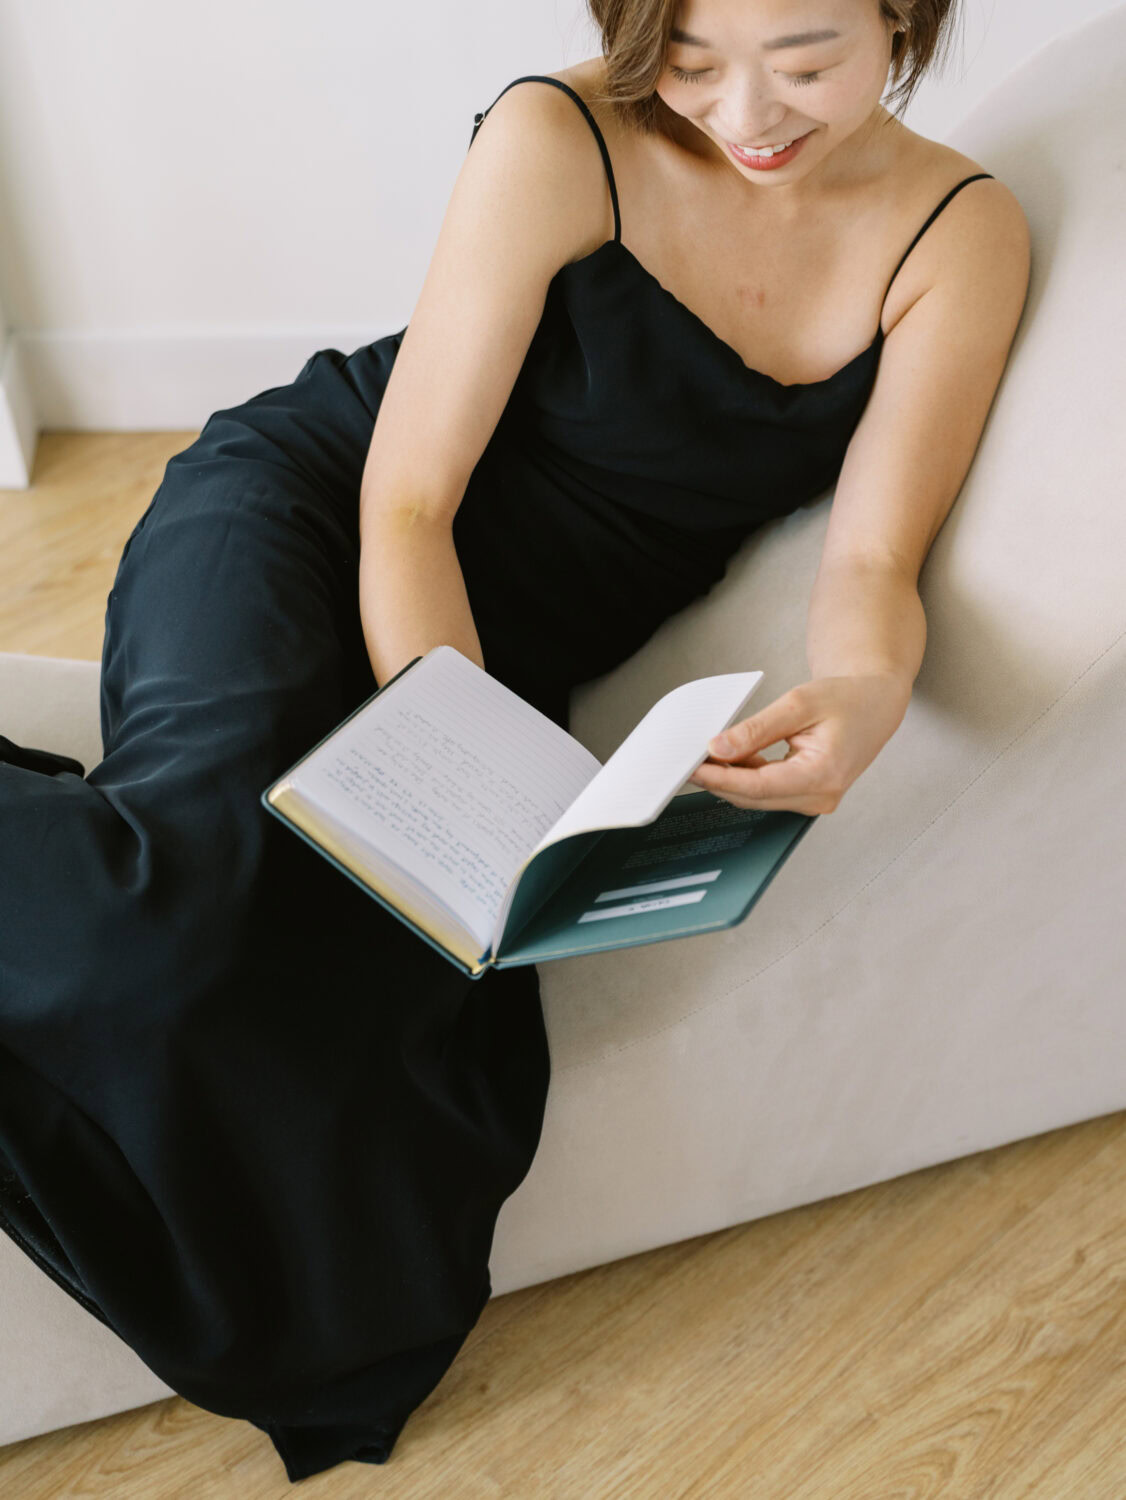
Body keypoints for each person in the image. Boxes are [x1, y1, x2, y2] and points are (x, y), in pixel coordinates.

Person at [0, 0, 1029, 1483]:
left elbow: (869, 568)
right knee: (179, 910)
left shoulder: (954, 237)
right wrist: (449, 760)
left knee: (321, 1005)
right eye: (689, 57)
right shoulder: (560, 135)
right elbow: (408, 498)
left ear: (903, 20)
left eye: (808, 60)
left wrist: (858, 699)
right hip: (314, 527)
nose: (747, 110)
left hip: (506, 656)